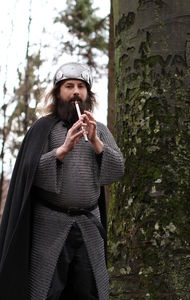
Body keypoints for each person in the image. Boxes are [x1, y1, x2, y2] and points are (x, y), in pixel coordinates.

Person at [0, 62, 124, 300]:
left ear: (88, 94)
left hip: (88, 225)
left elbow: (117, 170)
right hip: (50, 225)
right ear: (58, 92)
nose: (75, 91)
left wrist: (97, 143)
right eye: (69, 86)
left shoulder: (99, 130)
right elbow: (28, 177)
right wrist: (63, 149)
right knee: (46, 292)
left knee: (89, 292)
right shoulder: (42, 129)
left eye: (81, 86)